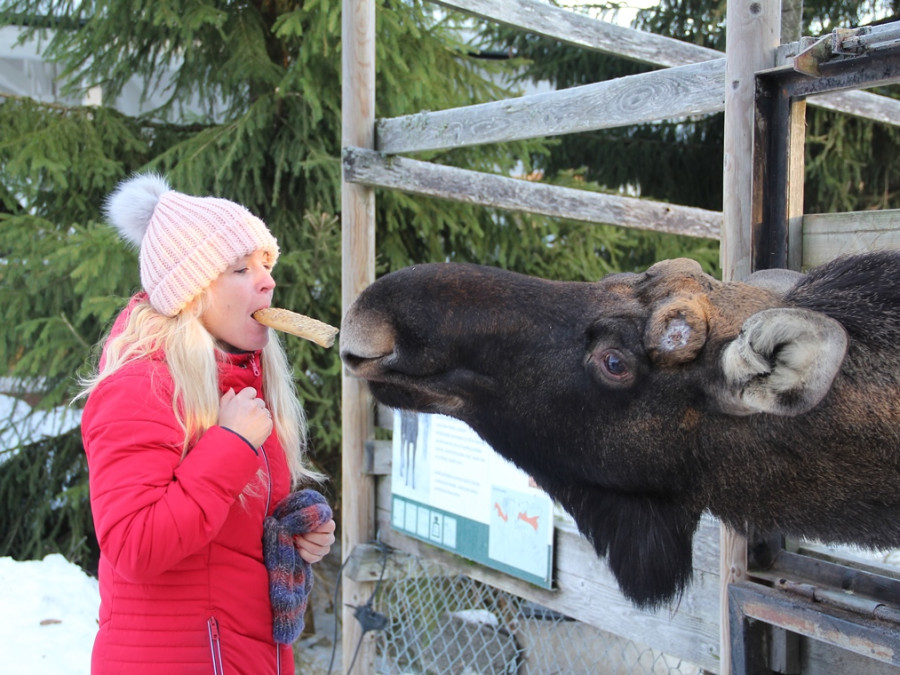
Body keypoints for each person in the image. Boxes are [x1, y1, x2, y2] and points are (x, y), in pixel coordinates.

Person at [79, 174, 336, 674]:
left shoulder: (244, 386)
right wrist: (232, 445)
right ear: (189, 291)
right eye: (240, 269)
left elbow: (225, 529)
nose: (267, 281)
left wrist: (297, 528)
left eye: (265, 265)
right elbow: (134, 545)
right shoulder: (140, 388)